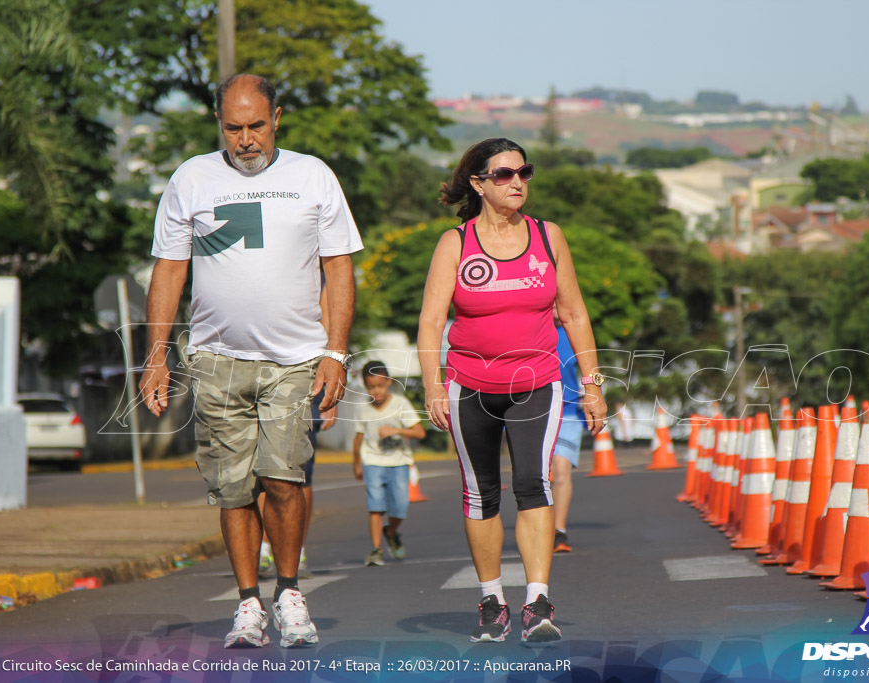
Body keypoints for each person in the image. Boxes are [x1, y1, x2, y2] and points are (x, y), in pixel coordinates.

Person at [140, 74, 362, 649]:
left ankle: (288, 592)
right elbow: (170, 269)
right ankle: (247, 604)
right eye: (233, 128)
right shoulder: (191, 177)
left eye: (256, 126)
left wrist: (335, 353)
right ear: (219, 124)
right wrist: (155, 357)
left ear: (277, 118)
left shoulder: (312, 175)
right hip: (216, 359)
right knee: (232, 489)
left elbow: (338, 267)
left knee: (282, 478)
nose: (245, 140)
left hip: (294, 359)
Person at [417, 137, 607, 644]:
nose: (517, 182)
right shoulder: (455, 244)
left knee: (533, 484)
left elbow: (574, 314)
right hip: (469, 385)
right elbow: (432, 320)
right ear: (479, 184)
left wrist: (591, 385)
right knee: (480, 492)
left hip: (536, 382)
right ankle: (491, 602)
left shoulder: (549, 237)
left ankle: (537, 601)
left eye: (524, 172)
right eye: (503, 175)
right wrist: (434, 386)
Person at [258, 286, 337, 578]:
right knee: (261, 472)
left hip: (305, 379)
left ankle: (297, 549)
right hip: (257, 374)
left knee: (299, 474)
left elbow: (332, 331)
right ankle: (266, 549)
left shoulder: (322, 274)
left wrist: (331, 391)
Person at [352, 360, 426, 566]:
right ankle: (376, 550)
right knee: (375, 506)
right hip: (373, 461)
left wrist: (396, 430)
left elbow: (419, 432)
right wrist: (356, 464)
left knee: (400, 508)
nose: (377, 391)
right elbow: (358, 438)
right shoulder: (361, 408)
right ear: (366, 386)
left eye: (381, 385)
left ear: (388, 382)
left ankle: (390, 531)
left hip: (399, 461)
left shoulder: (400, 404)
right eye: (371, 387)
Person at [552, 310, 585, 554]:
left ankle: (558, 531)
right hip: (532, 411)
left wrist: (594, 393)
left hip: (568, 411)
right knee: (537, 475)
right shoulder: (528, 331)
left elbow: (590, 367)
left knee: (561, 468)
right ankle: (538, 527)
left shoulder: (574, 331)